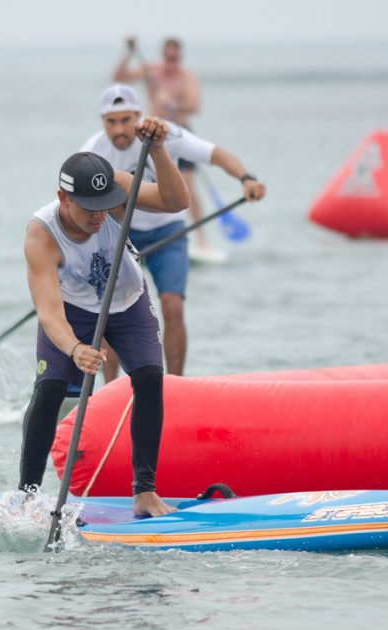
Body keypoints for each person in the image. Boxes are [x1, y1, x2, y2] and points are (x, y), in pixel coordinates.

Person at [20, 117, 189, 518]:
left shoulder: (115, 187)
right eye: (89, 209)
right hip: (72, 309)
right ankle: (27, 496)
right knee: (50, 390)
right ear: (64, 199)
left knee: (149, 379)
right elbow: (48, 311)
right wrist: (76, 349)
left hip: (126, 297)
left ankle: (144, 492)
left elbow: (175, 201)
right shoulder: (40, 234)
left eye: (105, 206)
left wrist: (160, 151)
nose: (100, 216)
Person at [82, 84, 266, 379]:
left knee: (172, 305)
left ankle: (175, 386)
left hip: (167, 233)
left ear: (137, 115)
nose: (119, 129)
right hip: (120, 236)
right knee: (109, 315)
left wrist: (246, 178)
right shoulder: (92, 152)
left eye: (125, 120)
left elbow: (216, 155)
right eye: (111, 122)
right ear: (102, 121)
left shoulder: (165, 135)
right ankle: (110, 391)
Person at [115, 36, 219, 258]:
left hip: (179, 135)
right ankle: (132, 236)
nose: (172, 62)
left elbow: (194, 106)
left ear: (180, 57)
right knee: (142, 184)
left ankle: (202, 240)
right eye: (168, 57)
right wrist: (129, 53)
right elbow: (119, 77)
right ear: (163, 55)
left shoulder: (187, 77)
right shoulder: (151, 70)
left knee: (188, 186)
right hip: (150, 136)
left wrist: (172, 102)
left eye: (176, 58)